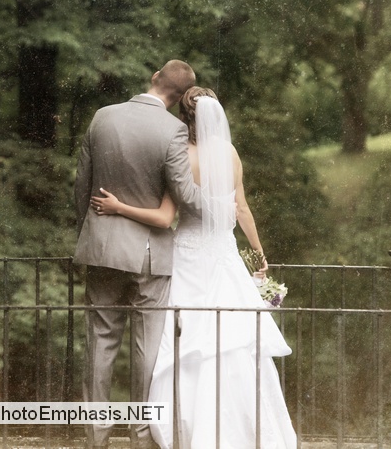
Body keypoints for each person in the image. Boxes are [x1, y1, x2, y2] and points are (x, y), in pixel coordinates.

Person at [91, 87, 297, 449]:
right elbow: (242, 209)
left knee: (181, 341)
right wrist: (258, 253)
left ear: (184, 118)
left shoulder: (180, 155)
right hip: (224, 255)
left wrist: (118, 207)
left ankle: (182, 431)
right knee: (233, 342)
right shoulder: (230, 154)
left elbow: (164, 217)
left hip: (187, 256)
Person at [73, 60, 202, 449]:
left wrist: (91, 234)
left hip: (102, 247)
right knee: (147, 349)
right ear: (180, 96)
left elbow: (82, 186)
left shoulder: (103, 117)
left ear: (154, 78)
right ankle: (141, 436)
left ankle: (96, 437)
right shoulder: (173, 130)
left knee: (100, 342)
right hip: (149, 255)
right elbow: (185, 195)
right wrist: (219, 202)